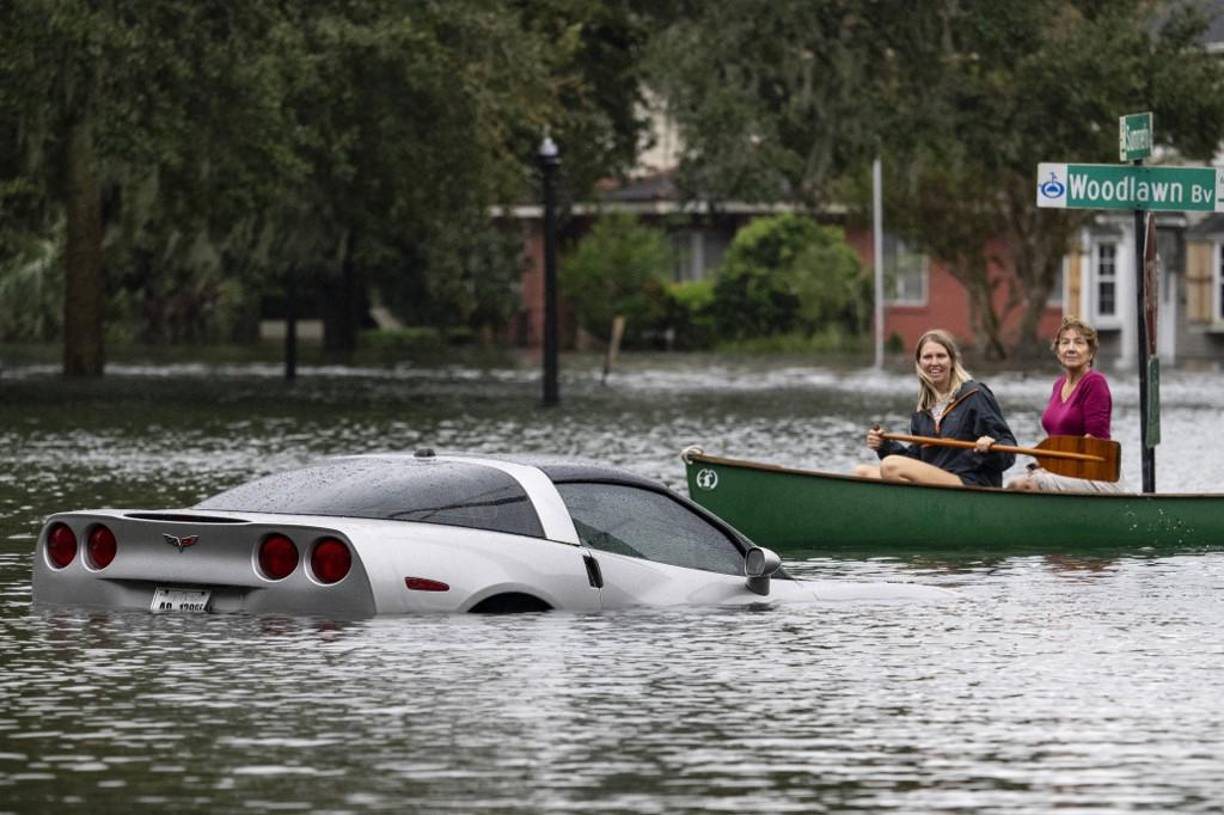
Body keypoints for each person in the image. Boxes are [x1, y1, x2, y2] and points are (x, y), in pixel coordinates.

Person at [854, 329, 1016, 487]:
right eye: (927, 357)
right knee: (861, 473)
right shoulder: (924, 410)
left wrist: (990, 447)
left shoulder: (976, 395)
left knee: (890, 466)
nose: (934, 362)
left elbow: (1009, 449)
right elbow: (916, 461)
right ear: (919, 363)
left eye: (941, 356)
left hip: (972, 483)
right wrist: (885, 445)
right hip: (937, 482)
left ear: (952, 361)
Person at [1007, 316, 1122, 493]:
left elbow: (1096, 442)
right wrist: (1037, 465)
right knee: (1012, 482)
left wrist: (1052, 468)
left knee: (1020, 486)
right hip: (1059, 472)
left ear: (1090, 353)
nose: (1071, 348)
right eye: (1065, 343)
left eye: (1079, 343)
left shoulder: (1095, 383)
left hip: (1096, 475)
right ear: (1058, 352)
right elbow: (1054, 441)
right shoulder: (1058, 385)